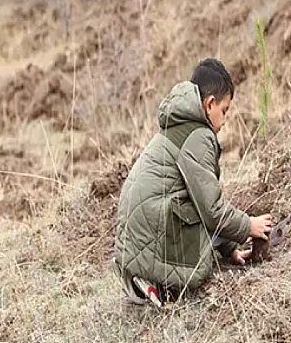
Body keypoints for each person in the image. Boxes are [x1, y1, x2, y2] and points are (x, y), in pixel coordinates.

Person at [113, 58, 273, 307]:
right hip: (155, 229)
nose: (225, 120)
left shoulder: (180, 125)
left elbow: (198, 202)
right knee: (200, 265)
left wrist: (230, 249)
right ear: (209, 104)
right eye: (225, 111)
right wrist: (248, 225)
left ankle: (146, 278)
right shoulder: (200, 135)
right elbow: (210, 210)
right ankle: (159, 283)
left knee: (187, 210)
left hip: (132, 244)